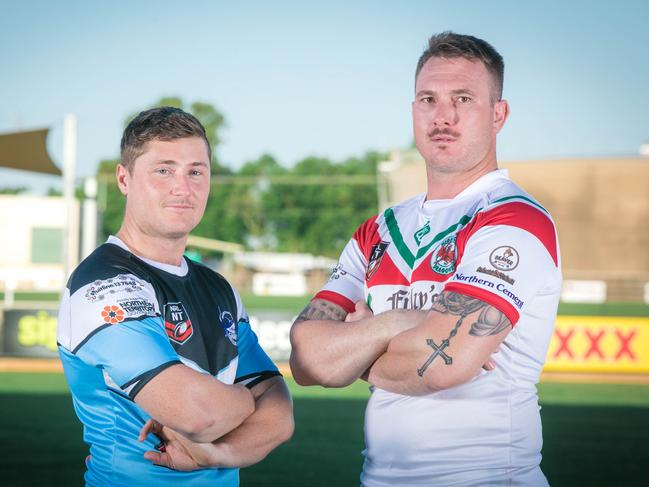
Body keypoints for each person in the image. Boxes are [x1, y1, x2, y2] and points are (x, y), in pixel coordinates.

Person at [290, 32, 561, 486]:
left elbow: (441, 364)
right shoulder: (376, 231)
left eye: (463, 98)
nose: (443, 116)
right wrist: (400, 323)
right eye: (428, 99)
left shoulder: (514, 219)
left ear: (499, 115)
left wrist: (354, 345)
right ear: (413, 110)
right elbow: (306, 361)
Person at [58, 107, 294, 486]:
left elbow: (280, 416)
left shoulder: (220, 289)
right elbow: (197, 415)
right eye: (164, 170)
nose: (182, 188)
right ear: (124, 178)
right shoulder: (102, 283)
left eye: (195, 172)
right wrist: (247, 400)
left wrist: (215, 454)